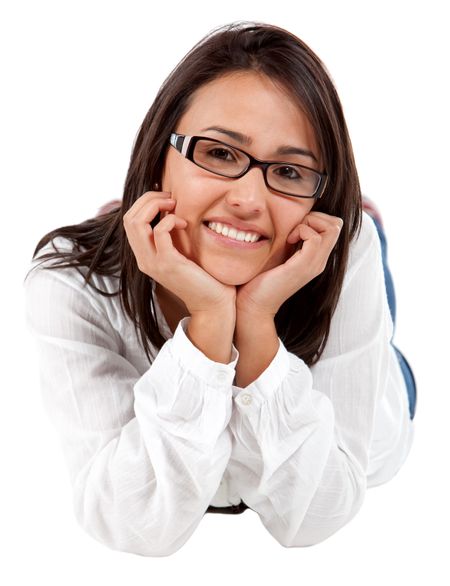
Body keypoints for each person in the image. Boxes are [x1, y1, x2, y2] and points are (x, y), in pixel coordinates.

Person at [23, 21, 416, 557]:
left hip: (367, 365)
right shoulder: (70, 283)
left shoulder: (340, 251)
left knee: (387, 420)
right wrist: (210, 319)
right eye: (219, 154)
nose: (249, 198)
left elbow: (313, 519)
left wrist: (254, 322)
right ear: (159, 153)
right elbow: (129, 520)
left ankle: (366, 221)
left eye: (290, 171)